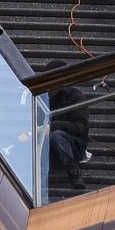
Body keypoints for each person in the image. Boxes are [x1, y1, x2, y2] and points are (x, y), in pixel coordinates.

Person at [40, 59, 90, 191]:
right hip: (47, 144)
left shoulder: (75, 96)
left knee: (56, 136)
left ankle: (74, 173)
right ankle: (39, 183)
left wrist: (51, 126)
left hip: (72, 144)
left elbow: (80, 128)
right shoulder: (42, 99)